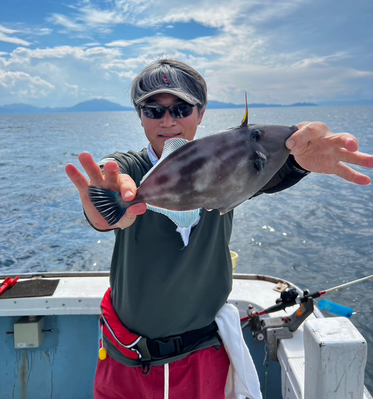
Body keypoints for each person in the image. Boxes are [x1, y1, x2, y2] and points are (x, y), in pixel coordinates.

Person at [65, 59, 373, 399]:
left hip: (203, 353)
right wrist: (106, 210)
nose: (168, 120)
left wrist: (299, 160)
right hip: (127, 354)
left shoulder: (227, 163)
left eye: (181, 108)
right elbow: (108, 193)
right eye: (153, 110)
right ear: (140, 115)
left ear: (201, 112)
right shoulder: (131, 167)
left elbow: (267, 172)